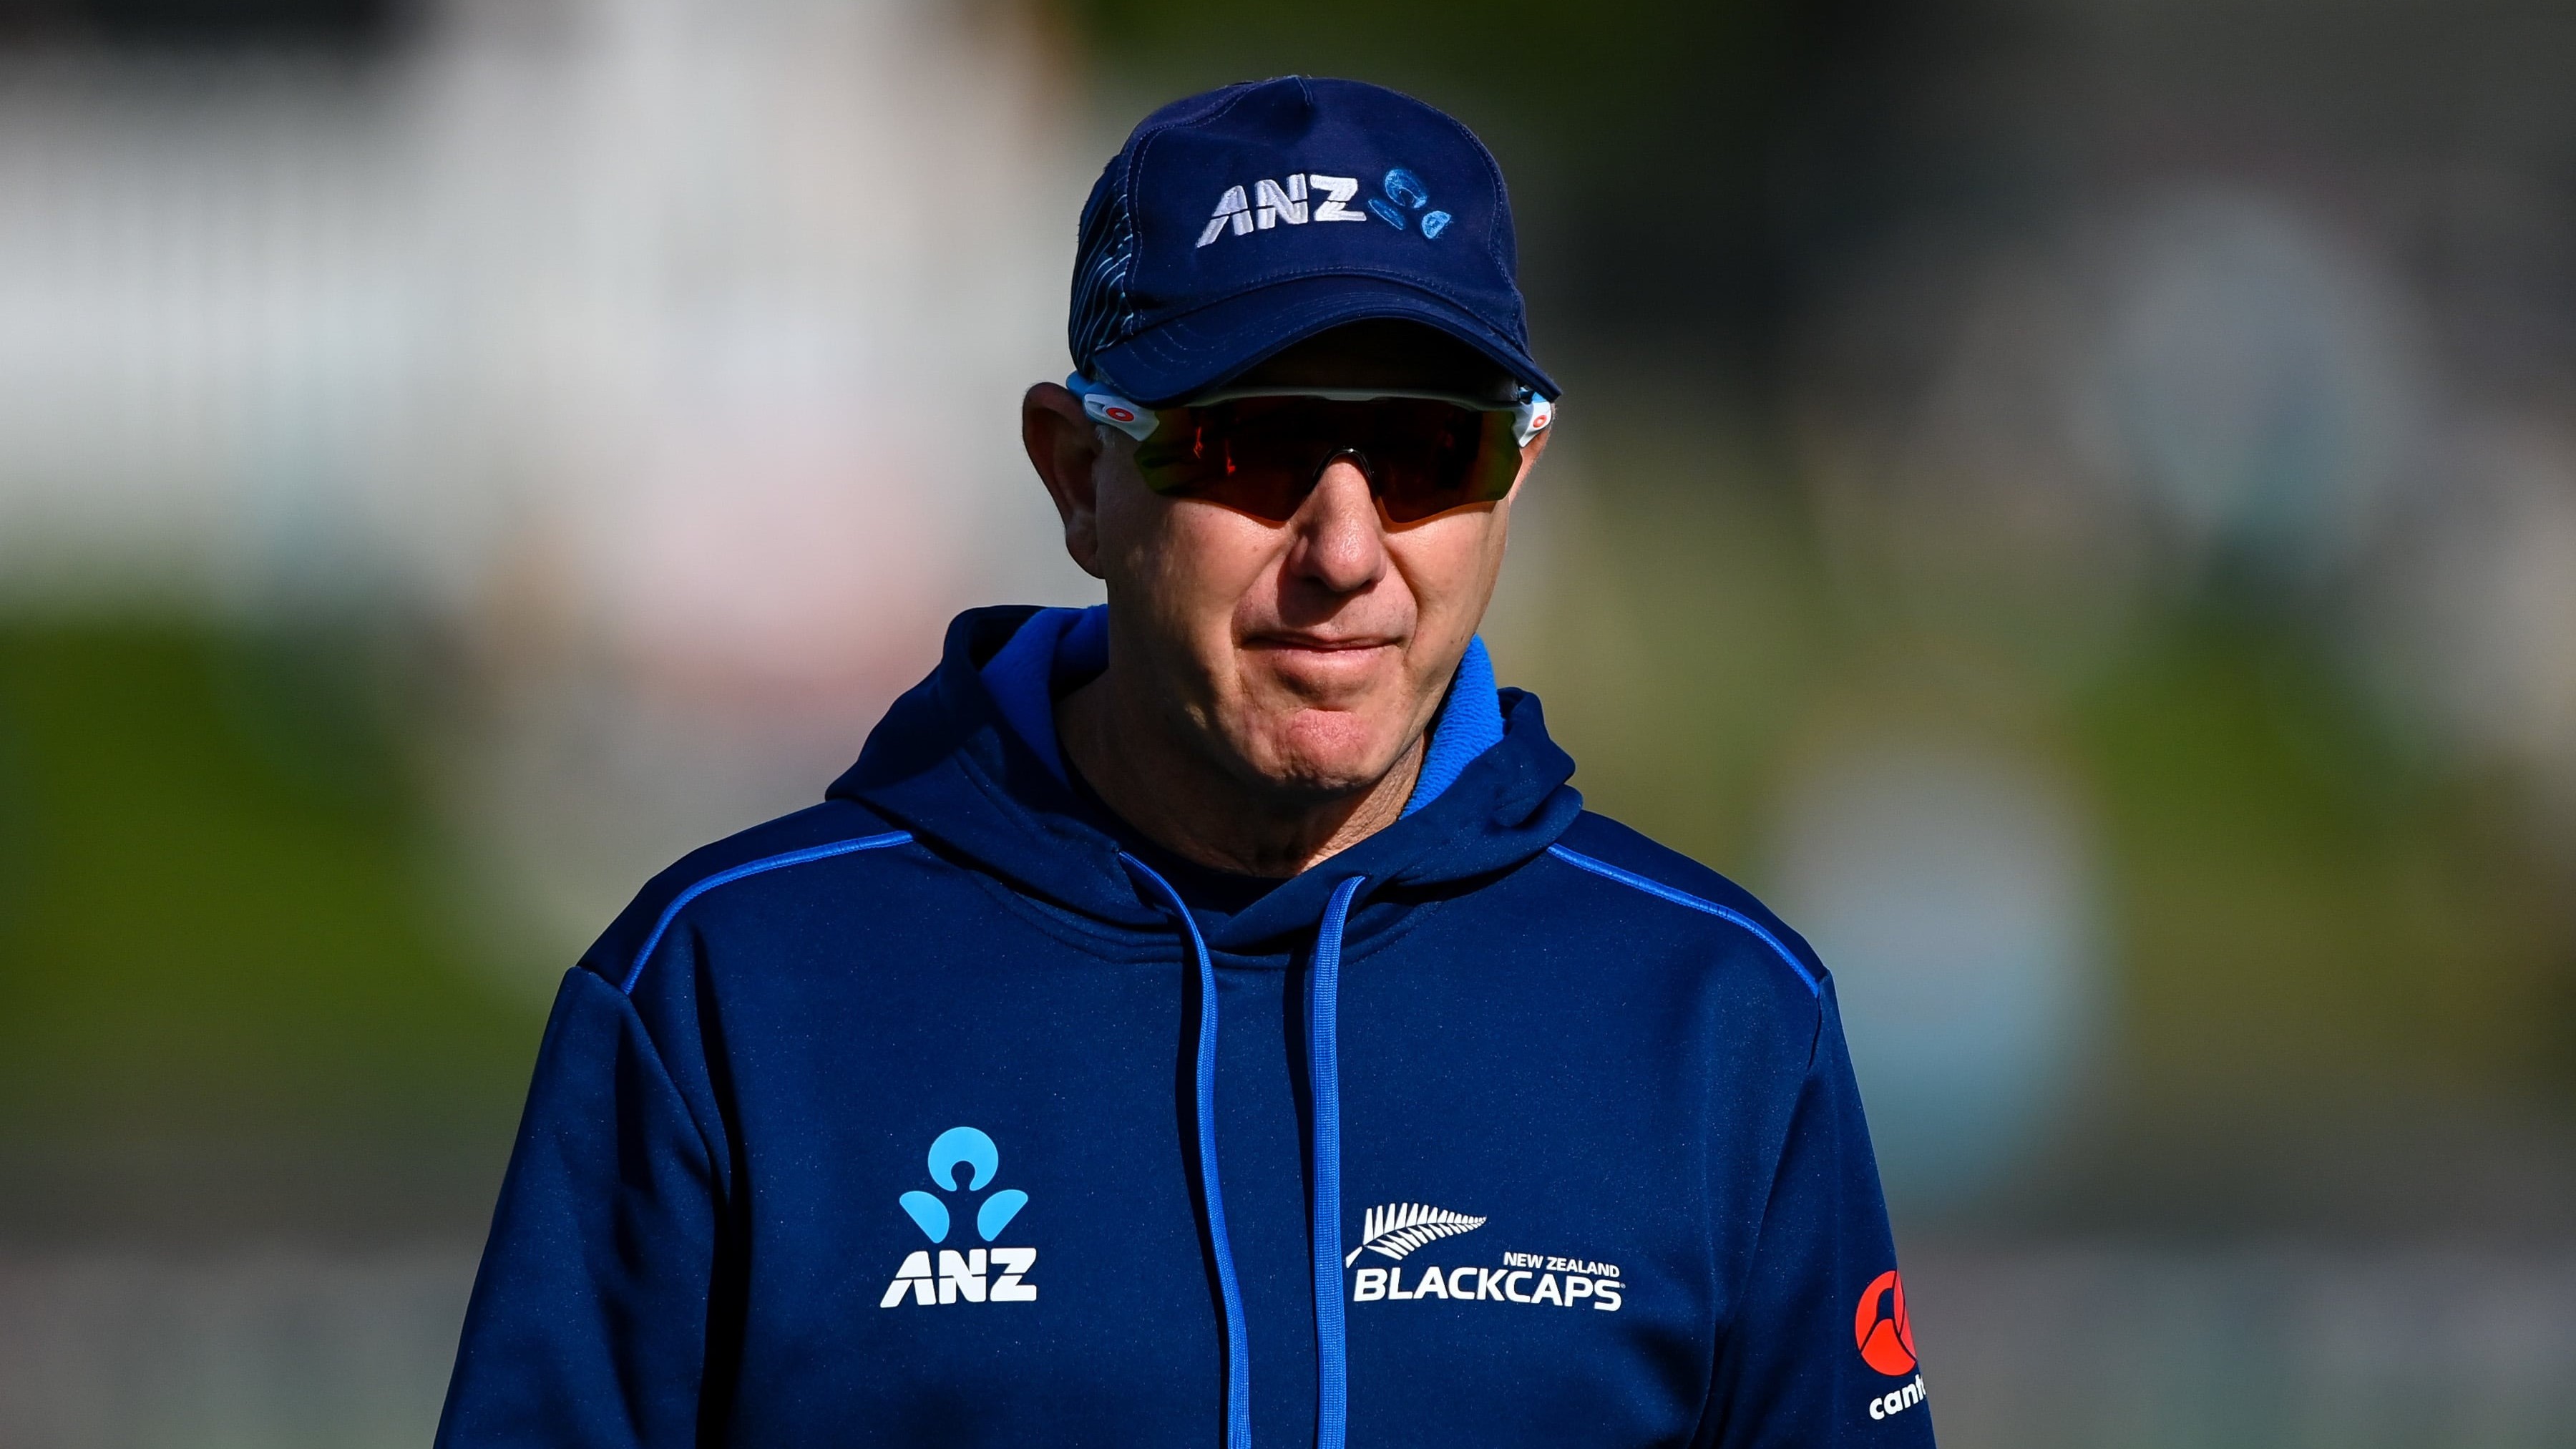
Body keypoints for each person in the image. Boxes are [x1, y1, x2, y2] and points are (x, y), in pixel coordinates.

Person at [436, 76, 1935, 1449]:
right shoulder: (727, 992)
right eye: (1257, 447)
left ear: (1515, 477)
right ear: (1079, 475)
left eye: (1426, 452)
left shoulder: (1726, 1016)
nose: (1347, 552)